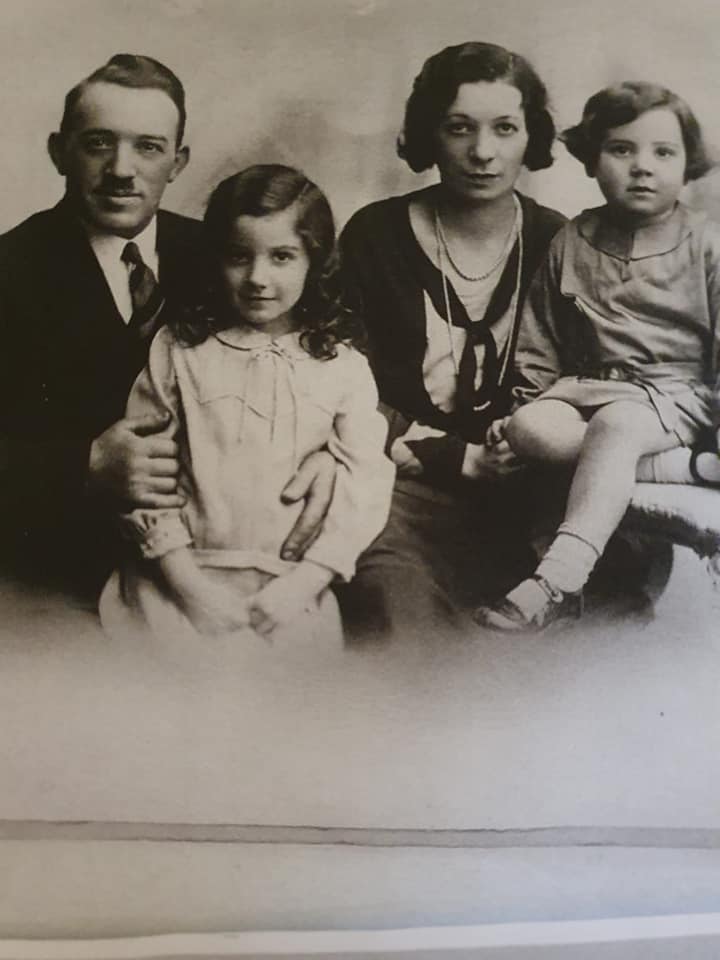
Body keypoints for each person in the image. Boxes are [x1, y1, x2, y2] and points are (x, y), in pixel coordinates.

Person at [0, 54, 332, 596]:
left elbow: (338, 352)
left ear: (177, 162)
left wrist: (327, 453)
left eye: (148, 147)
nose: (122, 170)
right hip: (55, 567)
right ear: (60, 152)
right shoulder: (9, 269)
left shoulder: (232, 256)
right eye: (99, 143)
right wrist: (82, 463)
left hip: (222, 556)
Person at [100, 165, 394, 643]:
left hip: (289, 588)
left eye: (282, 257)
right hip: (180, 578)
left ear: (314, 261)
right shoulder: (180, 350)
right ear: (216, 258)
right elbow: (144, 477)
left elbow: (366, 481)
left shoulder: (342, 366)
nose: (258, 277)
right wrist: (188, 585)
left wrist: (305, 582)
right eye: (239, 256)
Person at [337, 42, 566, 640]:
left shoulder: (560, 242)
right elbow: (338, 385)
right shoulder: (374, 236)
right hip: (408, 493)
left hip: (533, 495)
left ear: (530, 137)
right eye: (459, 128)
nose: (483, 152)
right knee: (390, 596)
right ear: (429, 135)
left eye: (505, 128)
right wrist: (454, 457)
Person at [475, 82, 720, 632]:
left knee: (617, 425)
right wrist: (522, 403)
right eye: (621, 149)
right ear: (591, 160)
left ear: (688, 165)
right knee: (529, 428)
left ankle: (558, 576)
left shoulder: (707, 244)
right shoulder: (573, 239)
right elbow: (539, 339)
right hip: (590, 388)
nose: (642, 167)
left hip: (676, 394)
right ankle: (683, 471)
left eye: (663, 152)